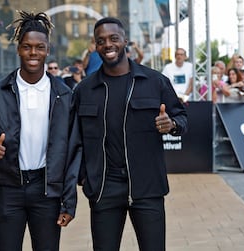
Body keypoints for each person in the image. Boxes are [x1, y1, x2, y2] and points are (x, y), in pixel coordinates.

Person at [0, 11, 81, 251]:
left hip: (47, 191)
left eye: (39, 47)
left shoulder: (64, 95)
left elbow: (73, 151)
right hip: (8, 189)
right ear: (18, 49)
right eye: (27, 47)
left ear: (47, 50)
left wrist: (68, 201)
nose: (33, 53)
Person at [74, 17, 188, 251]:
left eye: (114, 38)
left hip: (147, 186)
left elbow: (183, 119)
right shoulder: (85, 90)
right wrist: (85, 178)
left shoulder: (155, 81)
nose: (108, 44)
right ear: (96, 46)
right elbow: (75, 139)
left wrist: (172, 124)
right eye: (101, 41)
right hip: (104, 188)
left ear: (125, 40)